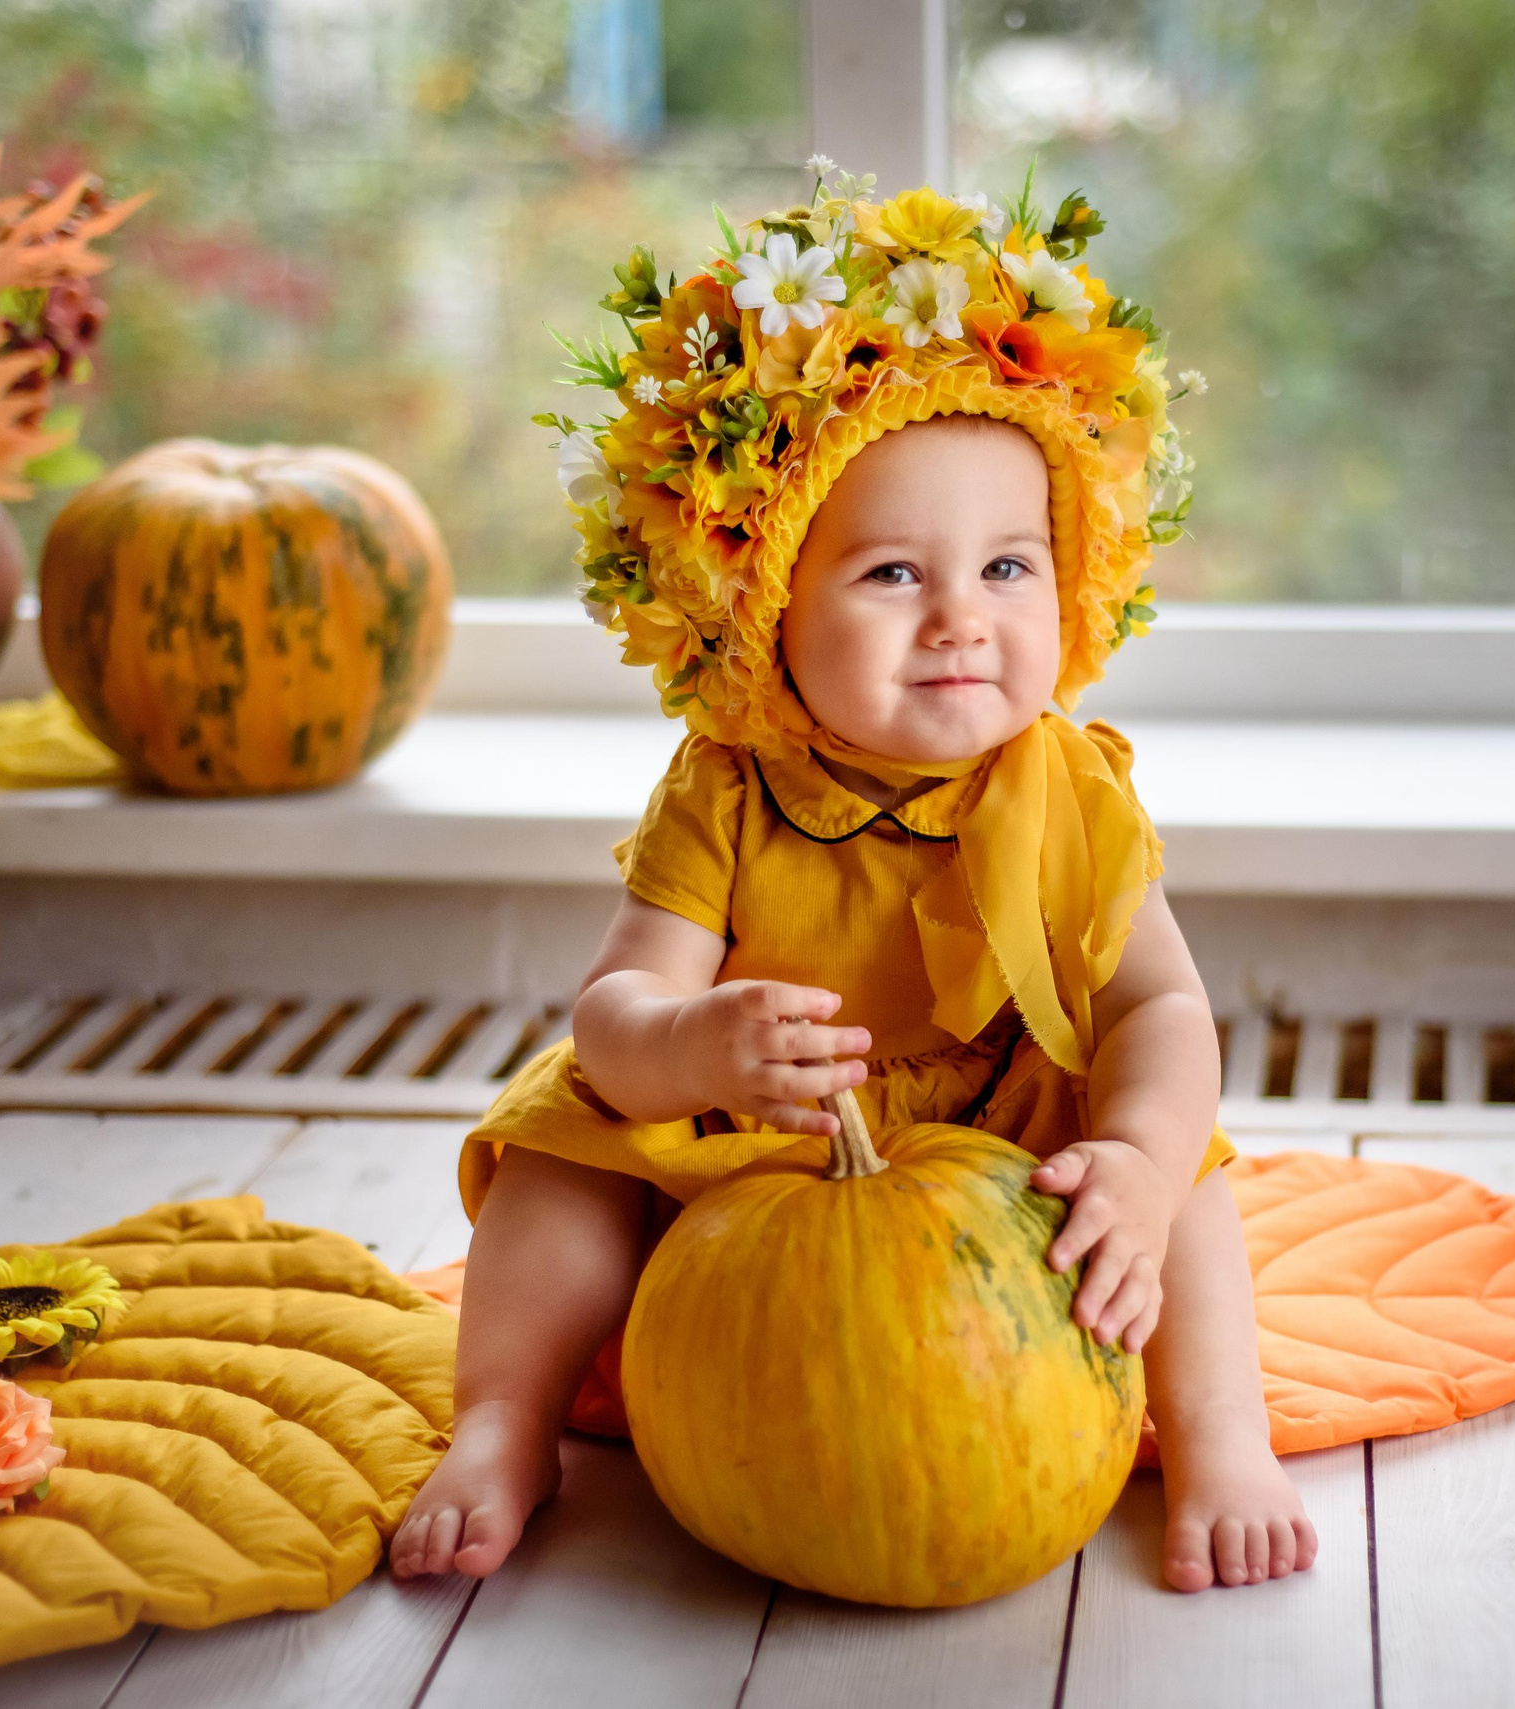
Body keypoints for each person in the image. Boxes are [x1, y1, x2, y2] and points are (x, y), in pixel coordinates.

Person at [391, 170, 1315, 1594]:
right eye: (892, 573)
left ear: (1071, 582)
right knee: (558, 1158)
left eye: (1010, 565)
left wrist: (1130, 1153)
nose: (962, 618)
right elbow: (617, 1007)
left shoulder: (1072, 785)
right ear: (756, 604)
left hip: (1010, 1142)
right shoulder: (732, 787)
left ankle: (1223, 1438)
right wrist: (691, 1041)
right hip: (760, 1150)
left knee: (1183, 1180)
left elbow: (1162, 1008)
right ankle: (503, 1423)